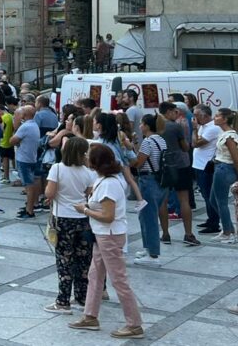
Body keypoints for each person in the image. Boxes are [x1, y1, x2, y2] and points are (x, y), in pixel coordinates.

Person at [68, 144, 144, 339]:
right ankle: (90, 315)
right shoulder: (104, 179)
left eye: (88, 156)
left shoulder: (110, 183)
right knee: (95, 275)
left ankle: (134, 324)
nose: (85, 158)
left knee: (118, 279)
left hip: (109, 235)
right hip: (103, 235)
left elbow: (108, 216)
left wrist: (84, 210)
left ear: (96, 162)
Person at [42, 136, 96, 313]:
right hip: (83, 218)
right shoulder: (88, 173)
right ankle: (82, 297)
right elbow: (90, 194)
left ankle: (63, 301)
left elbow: (49, 192)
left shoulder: (57, 169)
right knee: (83, 261)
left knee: (65, 260)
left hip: (63, 219)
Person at [156, 101, 198, 245]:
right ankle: (188, 233)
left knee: (163, 200)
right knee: (184, 200)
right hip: (180, 165)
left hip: (163, 166)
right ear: (168, 112)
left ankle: (165, 233)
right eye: (175, 111)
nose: (177, 114)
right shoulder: (175, 126)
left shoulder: (156, 125)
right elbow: (185, 147)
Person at [130, 115, 166, 266]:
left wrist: (128, 152)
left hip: (148, 180)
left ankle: (153, 254)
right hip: (160, 180)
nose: (140, 126)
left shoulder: (148, 141)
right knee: (144, 215)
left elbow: (138, 163)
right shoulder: (161, 140)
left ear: (146, 126)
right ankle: (148, 247)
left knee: (149, 217)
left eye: (142, 124)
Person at [192, 103, 223, 235]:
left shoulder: (212, 128)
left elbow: (196, 143)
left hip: (205, 166)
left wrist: (194, 130)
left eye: (196, 115)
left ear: (204, 115)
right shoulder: (203, 126)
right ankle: (211, 219)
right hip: (199, 165)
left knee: (209, 195)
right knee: (205, 195)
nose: (194, 118)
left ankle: (214, 223)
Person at [209, 107, 238, 243]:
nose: (215, 118)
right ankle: (229, 228)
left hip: (224, 168)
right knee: (213, 200)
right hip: (220, 167)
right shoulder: (224, 134)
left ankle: (228, 232)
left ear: (225, 119)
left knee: (221, 201)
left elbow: (235, 158)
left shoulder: (229, 136)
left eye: (217, 116)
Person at [10, 105, 41, 219]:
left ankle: (29, 210)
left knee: (29, 185)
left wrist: (16, 126)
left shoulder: (25, 127)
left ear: (25, 115)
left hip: (24, 159)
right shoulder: (34, 125)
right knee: (31, 184)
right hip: (31, 158)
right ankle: (30, 205)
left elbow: (12, 141)